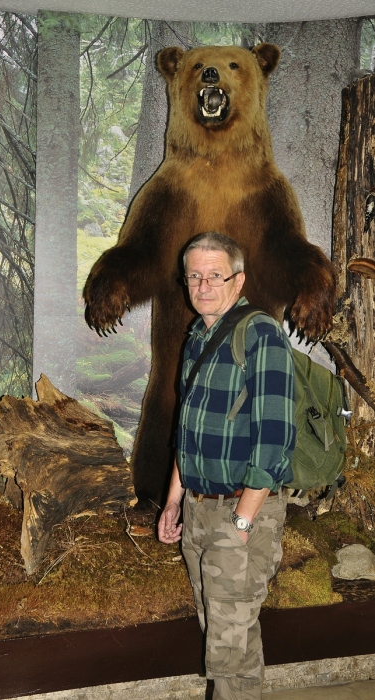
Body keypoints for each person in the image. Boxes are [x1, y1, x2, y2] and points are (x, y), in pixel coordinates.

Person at [158, 232, 296, 700]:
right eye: (193, 276)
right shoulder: (198, 335)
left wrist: (244, 518)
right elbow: (189, 429)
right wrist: (174, 502)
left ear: (238, 280)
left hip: (240, 510)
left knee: (230, 645)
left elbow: (275, 438)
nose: (202, 285)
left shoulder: (261, 333)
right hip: (199, 510)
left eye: (214, 275)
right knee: (222, 634)